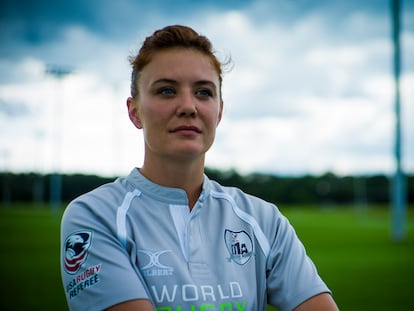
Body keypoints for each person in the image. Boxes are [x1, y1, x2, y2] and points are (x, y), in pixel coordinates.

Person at [60, 25, 339, 311]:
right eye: (167, 90)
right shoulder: (96, 216)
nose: (188, 106)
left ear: (218, 112)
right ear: (135, 112)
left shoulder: (263, 220)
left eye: (203, 92)